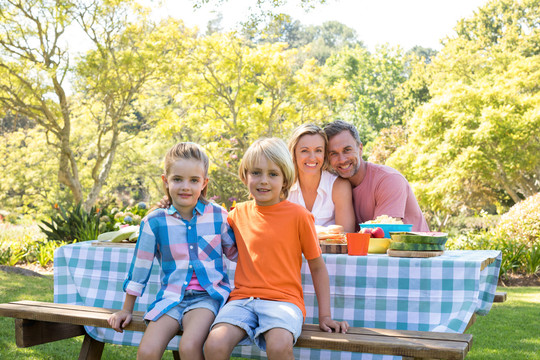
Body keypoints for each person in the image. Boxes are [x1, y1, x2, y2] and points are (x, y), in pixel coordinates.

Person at [203, 138, 349, 360]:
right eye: (256, 173)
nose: (263, 181)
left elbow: (318, 267)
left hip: (284, 302)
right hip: (242, 300)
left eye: (273, 174)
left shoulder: (300, 217)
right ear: (245, 176)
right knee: (214, 344)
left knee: (279, 346)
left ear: (285, 180)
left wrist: (325, 316)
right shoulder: (236, 214)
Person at [108, 142, 237, 360]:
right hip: (171, 298)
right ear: (165, 181)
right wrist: (126, 309)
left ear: (204, 183)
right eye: (177, 179)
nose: (185, 186)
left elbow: (237, 254)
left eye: (194, 180)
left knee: (189, 347)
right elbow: (140, 268)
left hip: (208, 298)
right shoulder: (154, 222)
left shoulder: (218, 216)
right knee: (147, 352)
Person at [324, 120, 429, 232]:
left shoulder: (389, 180)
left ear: (360, 149)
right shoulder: (334, 186)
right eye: (333, 153)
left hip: (412, 248)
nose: (342, 159)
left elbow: (384, 235)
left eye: (347, 150)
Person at [287, 124, 356, 233]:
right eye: (305, 150)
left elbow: (346, 235)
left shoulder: (338, 186)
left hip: (329, 250)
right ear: (294, 153)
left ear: (324, 154)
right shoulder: (283, 187)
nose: (312, 157)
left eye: (318, 150)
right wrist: (323, 231)